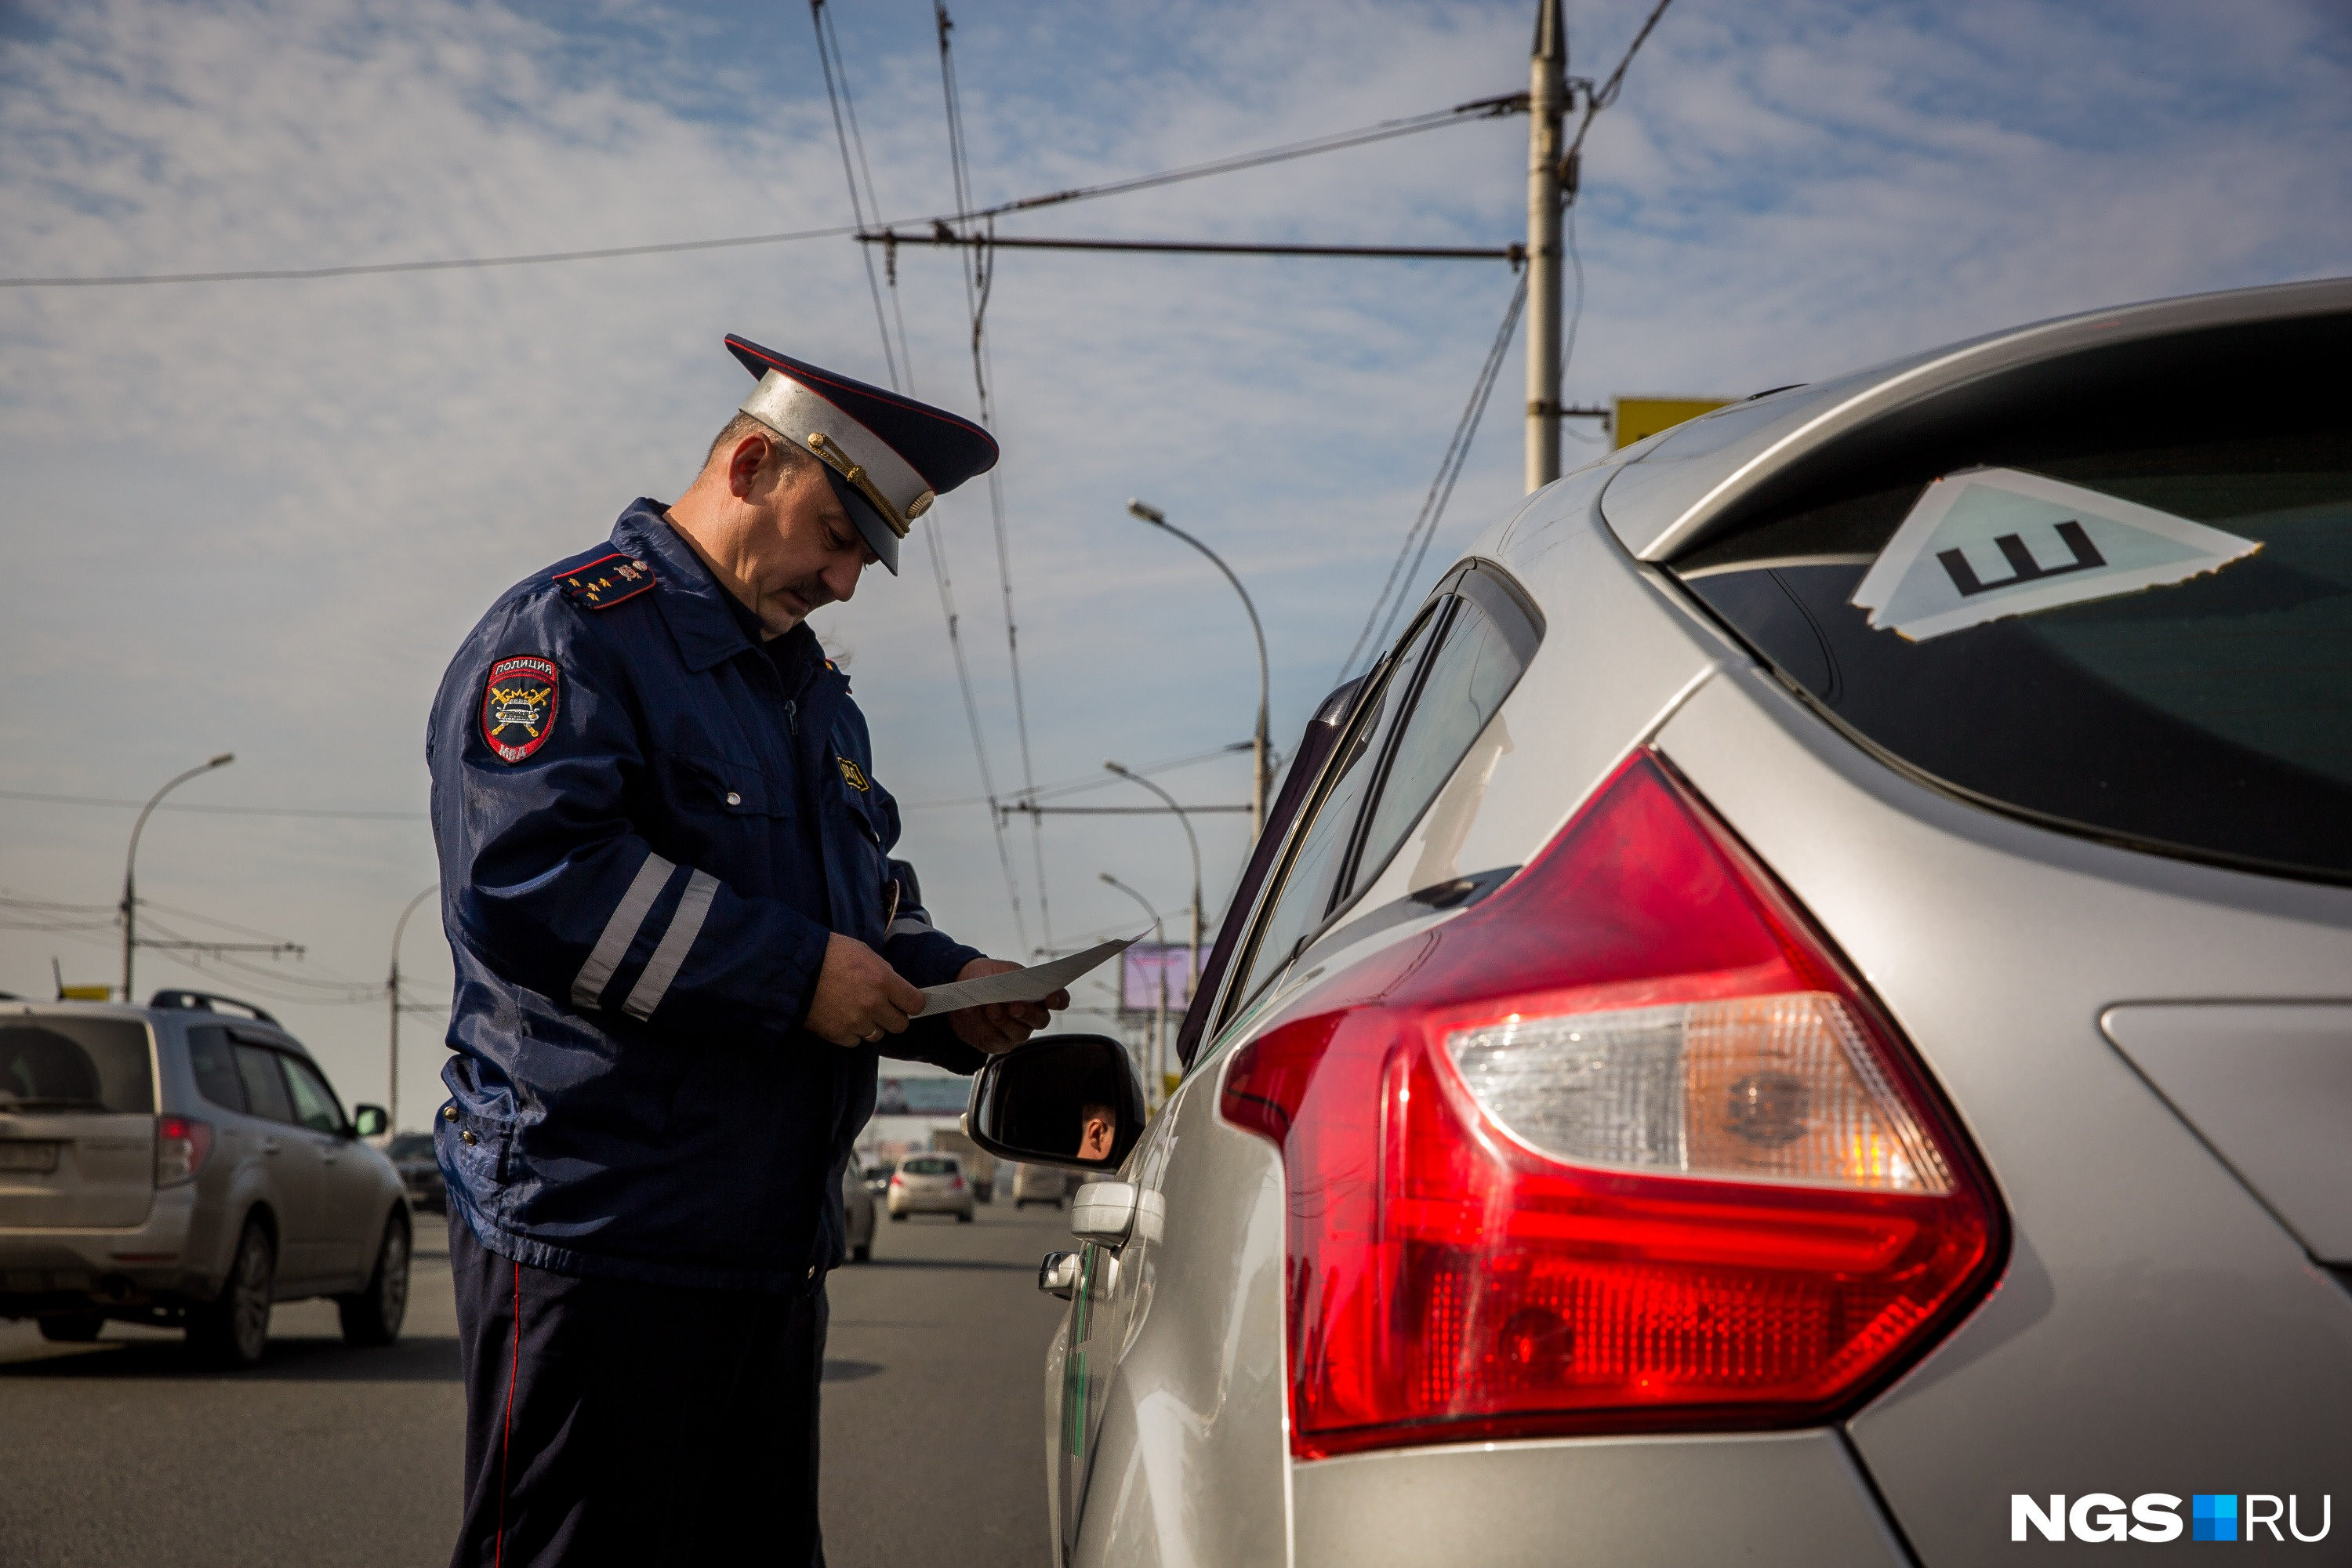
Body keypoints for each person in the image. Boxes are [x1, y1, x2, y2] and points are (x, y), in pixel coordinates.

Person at [426, 335, 1065, 1567]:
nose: (843, 581)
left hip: (761, 1240)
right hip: (595, 1228)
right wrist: (798, 978)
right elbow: (528, 880)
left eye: (867, 554)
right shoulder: (571, 635)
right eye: (835, 534)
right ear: (755, 460)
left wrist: (948, 994)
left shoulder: (808, 690)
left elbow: (853, 916)